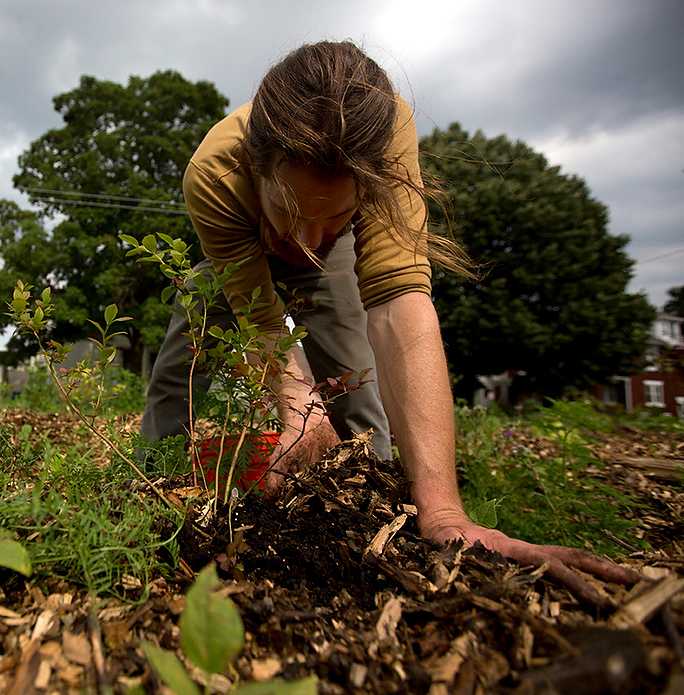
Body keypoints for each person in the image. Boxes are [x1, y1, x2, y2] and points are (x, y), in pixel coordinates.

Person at [140, 40, 638, 605]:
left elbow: (400, 302)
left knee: (357, 388)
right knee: (179, 367)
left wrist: (446, 512)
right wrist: (298, 403)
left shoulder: (384, 135)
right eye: (291, 210)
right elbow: (259, 320)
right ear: (257, 172)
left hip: (343, 254)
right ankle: (147, 489)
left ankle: (376, 517)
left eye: (337, 212)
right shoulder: (214, 171)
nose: (307, 245)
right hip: (240, 256)